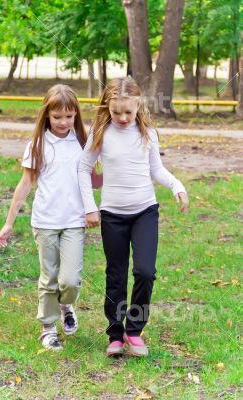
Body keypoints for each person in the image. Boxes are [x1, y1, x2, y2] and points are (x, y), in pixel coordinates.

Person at [78, 77, 189, 357]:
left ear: (138, 105)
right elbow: (83, 169)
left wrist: (177, 186)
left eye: (128, 111)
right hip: (112, 215)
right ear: (108, 107)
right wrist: (90, 206)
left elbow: (157, 169)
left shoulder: (147, 132)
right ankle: (115, 334)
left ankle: (134, 330)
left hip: (144, 212)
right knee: (116, 275)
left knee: (145, 272)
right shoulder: (101, 132)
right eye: (116, 112)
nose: (123, 118)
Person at [0, 84, 101, 351]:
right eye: (57, 117)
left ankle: (66, 304)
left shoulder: (82, 143)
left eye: (69, 116)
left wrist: (118, 168)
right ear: (46, 115)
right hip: (45, 222)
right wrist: (9, 222)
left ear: (76, 115)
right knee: (48, 277)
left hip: (74, 222)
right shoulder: (38, 143)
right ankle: (48, 328)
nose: (64, 122)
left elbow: (93, 181)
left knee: (69, 281)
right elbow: (24, 184)